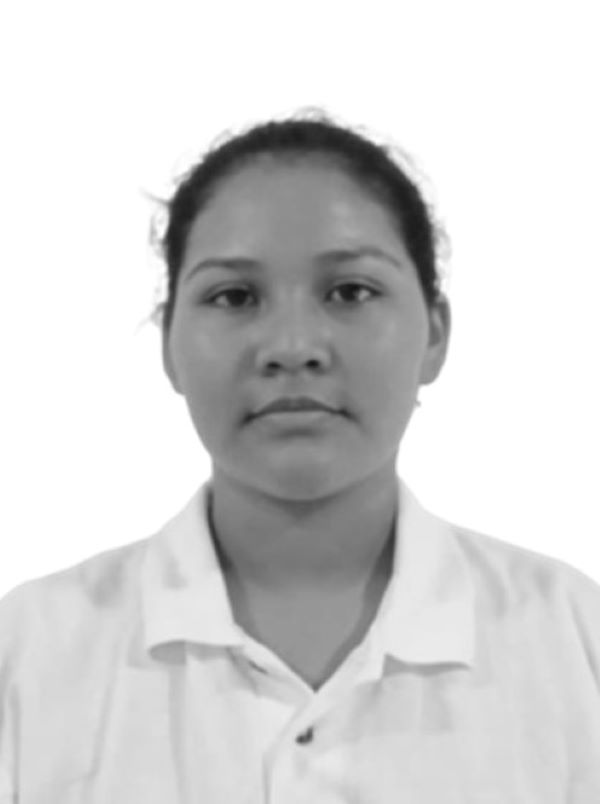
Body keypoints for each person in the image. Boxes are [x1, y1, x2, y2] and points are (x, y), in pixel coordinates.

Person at [1, 108, 599, 803]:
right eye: (234, 296)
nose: (292, 346)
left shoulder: (574, 641)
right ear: (169, 348)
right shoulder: (29, 655)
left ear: (435, 335)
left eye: (351, 292)